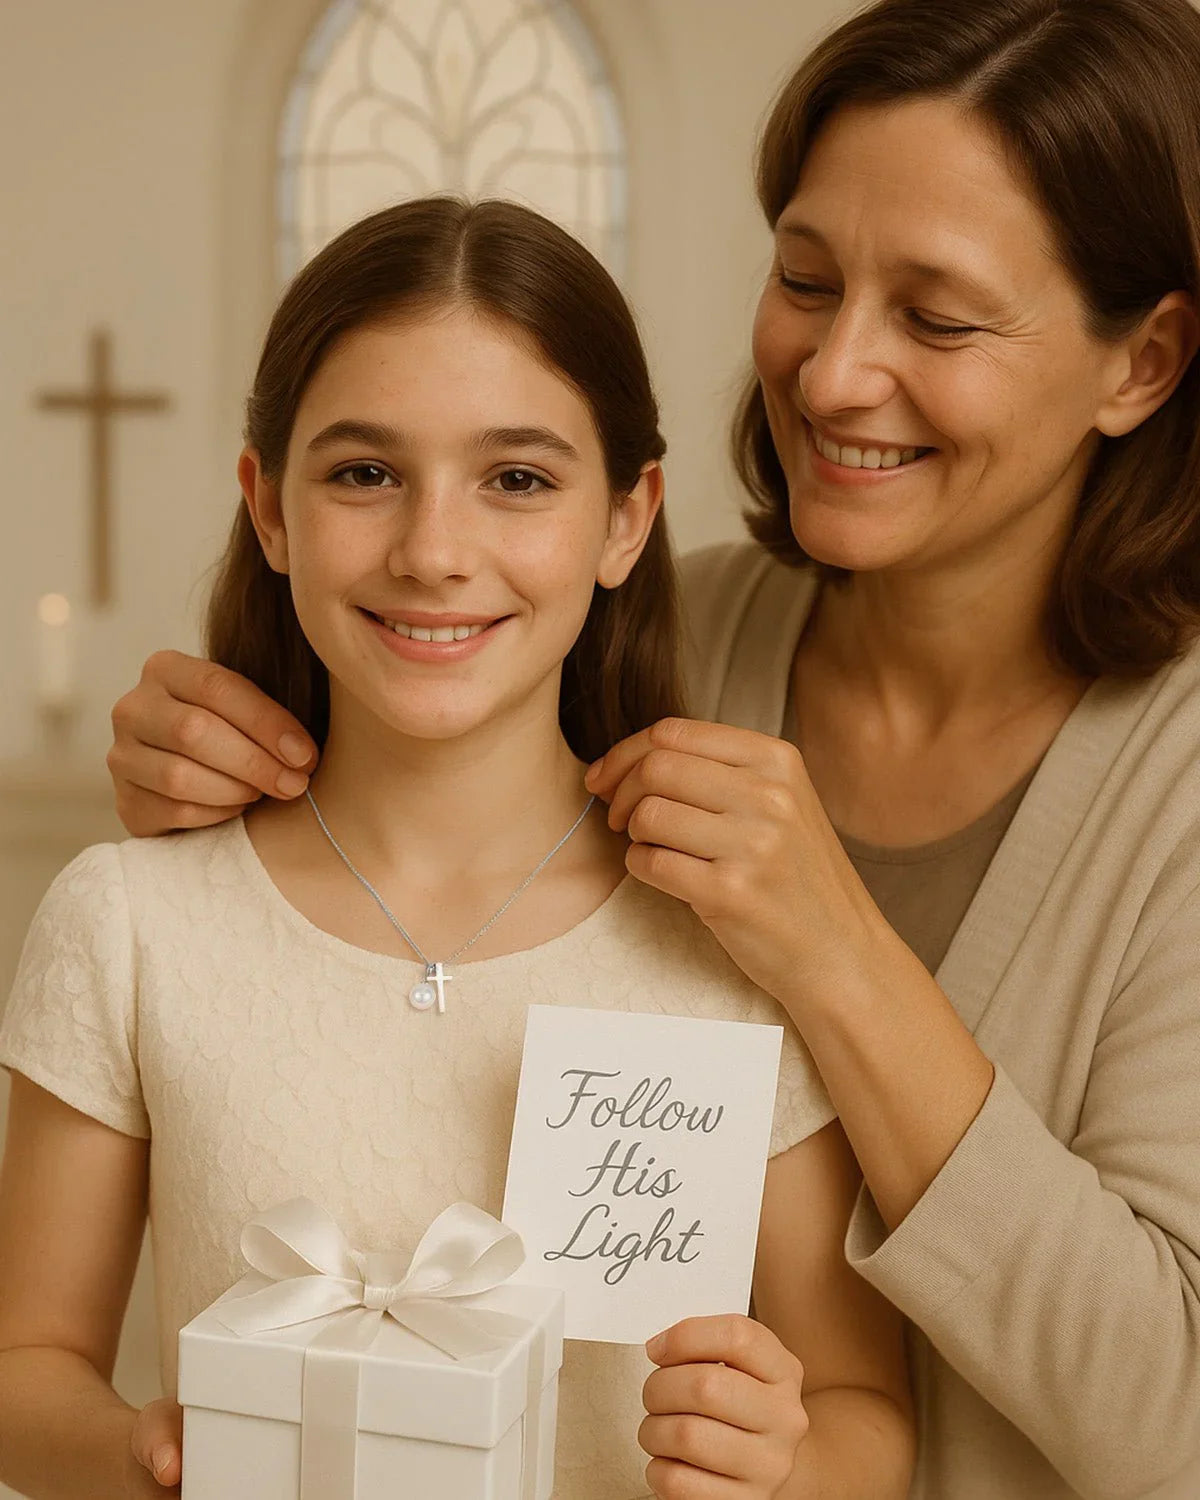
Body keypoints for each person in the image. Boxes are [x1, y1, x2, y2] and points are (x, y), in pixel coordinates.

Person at [97, 0, 1200, 1496]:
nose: (828, 376)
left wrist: (840, 952)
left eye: (937, 318)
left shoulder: (1176, 783)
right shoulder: (642, 641)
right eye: (805, 281)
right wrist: (232, 768)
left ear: (1142, 363)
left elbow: (1176, 1423)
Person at [0, 198, 915, 1500]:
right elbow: (26, 1363)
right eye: (364, 473)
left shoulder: (735, 938)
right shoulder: (130, 923)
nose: (434, 552)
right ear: (268, 506)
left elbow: (865, 1413)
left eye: (519, 479)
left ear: (626, 516)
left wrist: (786, 1462)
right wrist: (147, 1454)